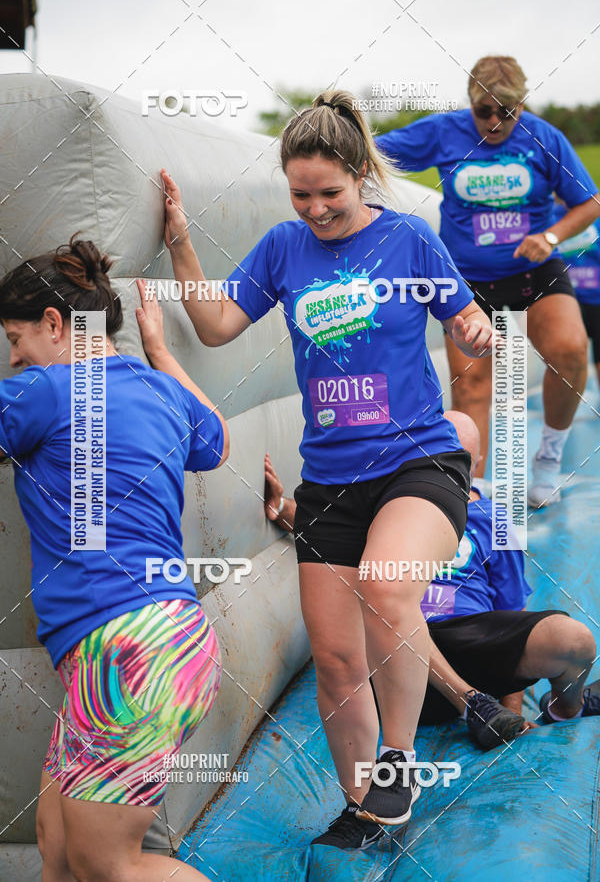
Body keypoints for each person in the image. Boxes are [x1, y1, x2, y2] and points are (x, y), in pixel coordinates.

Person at [160, 88, 496, 847]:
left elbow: (466, 320)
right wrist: (180, 243)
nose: (314, 208)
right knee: (340, 660)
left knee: (387, 588)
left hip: (418, 460)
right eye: (300, 194)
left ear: (359, 175)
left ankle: (399, 763)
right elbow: (216, 326)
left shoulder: (410, 239)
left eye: (330, 194)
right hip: (331, 480)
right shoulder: (284, 248)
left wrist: (475, 327)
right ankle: (366, 810)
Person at [0, 237, 228, 881]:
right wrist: (160, 354)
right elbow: (218, 439)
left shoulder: (44, 389)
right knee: (62, 853)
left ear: (54, 324)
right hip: (156, 643)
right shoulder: (161, 393)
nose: (13, 357)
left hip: (131, 649)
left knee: (109, 864)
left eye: (16, 337)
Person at [266, 411, 600, 743]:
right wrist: (280, 505)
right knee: (396, 615)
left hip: (474, 642)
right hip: (393, 660)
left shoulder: (494, 519)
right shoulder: (386, 508)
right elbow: (324, 527)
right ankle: (471, 702)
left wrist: (514, 708)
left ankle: (566, 708)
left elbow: (512, 611)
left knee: (575, 639)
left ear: (475, 463)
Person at [376, 55, 600, 509]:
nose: (497, 122)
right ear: (470, 102)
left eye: (509, 111)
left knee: (571, 349)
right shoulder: (442, 132)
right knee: (473, 385)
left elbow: (590, 201)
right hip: (467, 279)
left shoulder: (544, 137)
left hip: (534, 270)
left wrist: (551, 235)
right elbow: (364, 151)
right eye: (485, 111)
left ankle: (547, 462)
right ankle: (473, 493)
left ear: (523, 105)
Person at [553, 201, 600, 387]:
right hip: (565, 298)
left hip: (596, 298)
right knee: (565, 355)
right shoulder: (549, 216)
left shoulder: (595, 215)